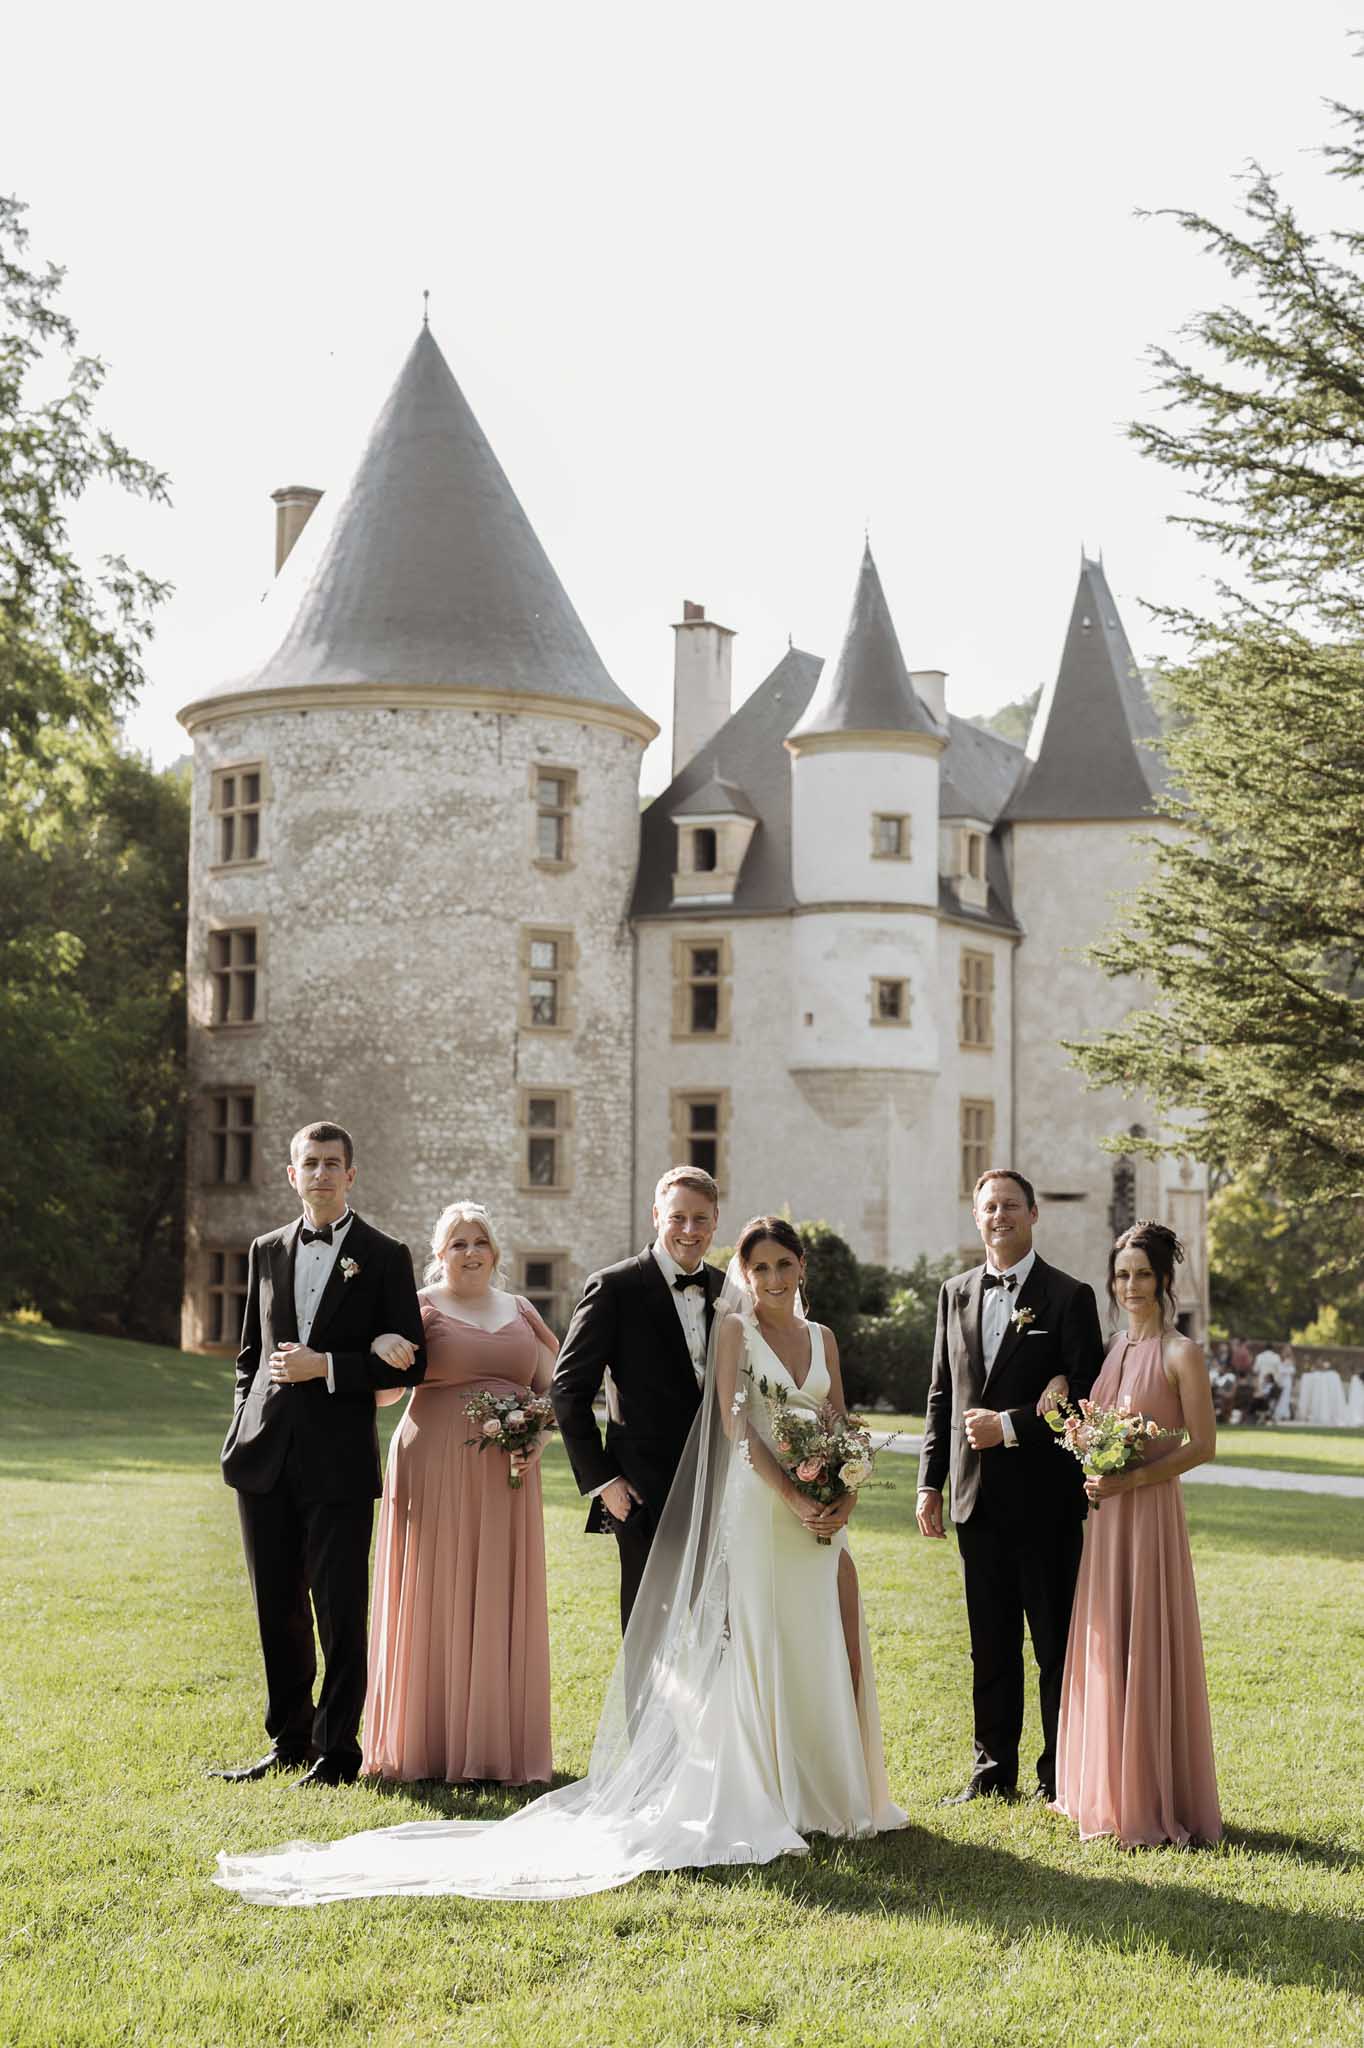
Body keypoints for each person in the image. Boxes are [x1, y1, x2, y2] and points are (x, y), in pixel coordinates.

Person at [213, 1216, 906, 1903]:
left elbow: (833, 1420)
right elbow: (720, 1419)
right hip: (728, 1503)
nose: (772, 1278)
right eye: (760, 1268)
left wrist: (839, 1486)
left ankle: (829, 1791)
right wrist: (615, 1477)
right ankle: (759, 1787)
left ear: (800, 1268)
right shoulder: (710, 1320)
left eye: (784, 1266)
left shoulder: (812, 1334)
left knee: (821, 1645)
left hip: (801, 1510)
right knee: (745, 1646)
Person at [215, 1122, 425, 1788]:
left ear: (351, 1176)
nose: (322, 1174)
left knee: (338, 1608)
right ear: (292, 1174)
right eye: (311, 1164)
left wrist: (327, 1367)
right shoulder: (265, 1248)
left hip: (337, 1461)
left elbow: (412, 1362)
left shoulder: (385, 1254)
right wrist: (240, 1425)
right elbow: (251, 1353)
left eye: (334, 1163)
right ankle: (289, 1741)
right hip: (264, 1457)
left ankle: (338, 1753)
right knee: (275, 1604)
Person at [917, 1168, 1104, 1805]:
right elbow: (943, 1394)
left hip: (1047, 1503)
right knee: (989, 1647)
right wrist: (929, 1483)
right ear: (977, 1217)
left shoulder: (1069, 1296)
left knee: (1055, 1647)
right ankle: (992, 1775)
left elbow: (1085, 1397)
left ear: (1033, 1214)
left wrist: (1015, 1426)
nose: (1000, 1216)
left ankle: (1061, 1776)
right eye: (989, 1206)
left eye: (1012, 1206)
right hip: (975, 1502)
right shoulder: (954, 1293)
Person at [361, 1201, 558, 1786]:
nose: (469, 1253)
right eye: (456, 1244)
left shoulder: (522, 1311)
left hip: (508, 1473)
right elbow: (383, 1397)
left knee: (496, 1593)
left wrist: (539, 1437)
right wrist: (380, 1351)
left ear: (495, 1252)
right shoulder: (418, 1310)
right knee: (434, 1591)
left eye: (479, 1242)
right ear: (438, 1255)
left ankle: (494, 1748)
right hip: (432, 1466)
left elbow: (556, 1391)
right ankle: (425, 1746)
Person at [1052, 1220, 1221, 1847]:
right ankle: (1102, 1787)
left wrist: (1134, 1481)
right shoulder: (1115, 1349)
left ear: (1165, 1278)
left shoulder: (1182, 1353)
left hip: (1147, 1517)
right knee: (1106, 1640)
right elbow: (1097, 1424)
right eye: (1122, 1275)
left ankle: (1150, 1796)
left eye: (1143, 1274)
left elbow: (1202, 1444)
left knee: (1145, 1640)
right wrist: (1066, 1407)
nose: (1131, 1285)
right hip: (1106, 1520)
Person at [551, 1166, 725, 1629]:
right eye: (678, 1218)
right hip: (641, 1491)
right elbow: (568, 1391)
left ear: (715, 1221)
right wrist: (605, 1482)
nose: (690, 1230)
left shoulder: (730, 1291)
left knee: (715, 1627)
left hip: (720, 1487)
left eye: (700, 1219)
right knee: (651, 1630)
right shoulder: (614, 1287)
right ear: (656, 1216)